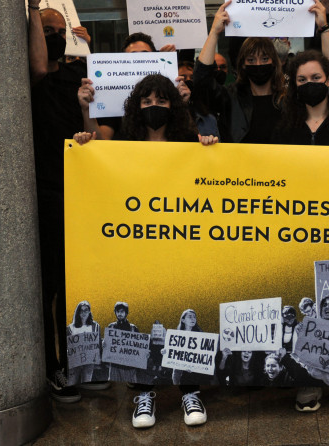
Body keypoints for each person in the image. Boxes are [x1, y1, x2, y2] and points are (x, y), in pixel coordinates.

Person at [74, 74, 217, 428]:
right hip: (135, 249)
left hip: (181, 247)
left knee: (184, 311)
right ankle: (143, 394)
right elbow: (93, 147)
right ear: (136, 107)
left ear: (174, 105)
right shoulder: (121, 143)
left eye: (162, 101)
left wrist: (211, 145)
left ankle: (189, 390)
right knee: (139, 312)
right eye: (147, 102)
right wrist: (85, 127)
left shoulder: (190, 143)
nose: (155, 107)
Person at [25, 0, 89, 403]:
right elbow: (38, 66)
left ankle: (77, 363)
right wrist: (35, 6)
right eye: (45, 31)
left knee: (75, 286)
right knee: (48, 285)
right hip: (46, 193)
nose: (51, 37)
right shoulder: (32, 76)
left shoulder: (78, 74)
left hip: (81, 193)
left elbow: (98, 122)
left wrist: (87, 48)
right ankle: (51, 367)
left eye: (57, 31)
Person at [193, 0, 329, 144]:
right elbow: (202, 82)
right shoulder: (231, 98)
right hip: (240, 166)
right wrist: (214, 32)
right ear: (242, 64)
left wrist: (324, 28)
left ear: (275, 62)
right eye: (251, 60)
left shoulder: (291, 97)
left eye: (265, 58)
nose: (258, 64)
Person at [66, 301, 101, 385]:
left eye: (86, 310)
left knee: (87, 383)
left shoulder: (95, 326)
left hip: (89, 362)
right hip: (75, 362)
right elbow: (68, 345)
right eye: (81, 311)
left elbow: (98, 343)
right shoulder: (70, 328)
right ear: (78, 313)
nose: (83, 313)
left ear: (89, 311)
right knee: (71, 383)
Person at [105, 302, 140, 383]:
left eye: (122, 311)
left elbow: (139, 347)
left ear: (126, 313)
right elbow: (107, 344)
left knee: (129, 388)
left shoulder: (133, 328)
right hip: (115, 366)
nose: (119, 314)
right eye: (118, 311)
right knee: (114, 388)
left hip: (129, 367)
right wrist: (104, 344)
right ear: (115, 313)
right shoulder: (111, 327)